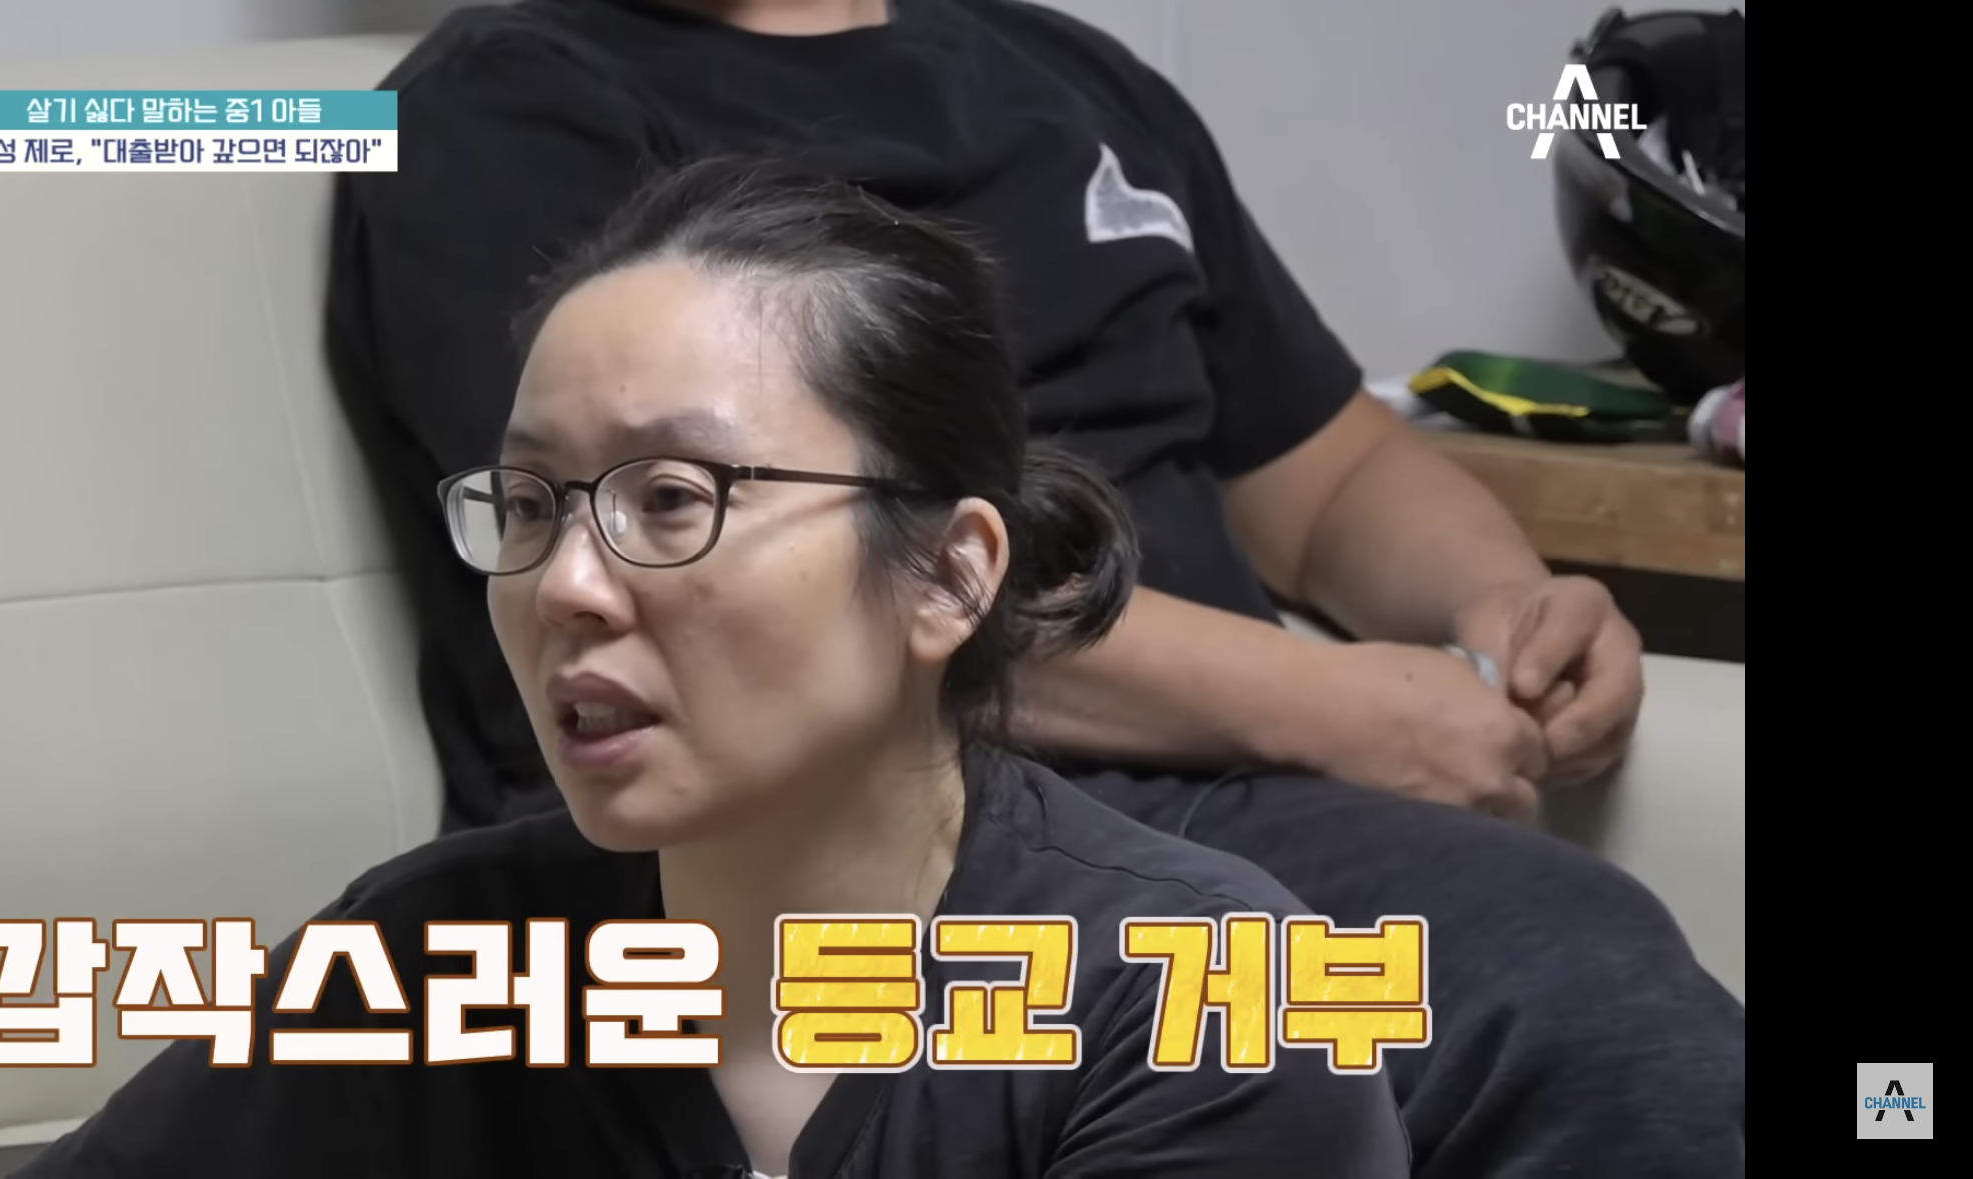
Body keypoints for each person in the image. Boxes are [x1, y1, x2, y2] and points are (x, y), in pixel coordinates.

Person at [321, 1, 1744, 1175]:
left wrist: (1504, 604)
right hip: (904, 793)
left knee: (1597, 993)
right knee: (1570, 988)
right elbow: (733, 561)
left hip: (1217, 815)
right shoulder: (508, 105)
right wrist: (1327, 702)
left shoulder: (1074, 77)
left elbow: (1328, 474)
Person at [19, 159, 1413, 1178]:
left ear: (947, 573)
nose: (567, 585)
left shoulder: (1200, 1001)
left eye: (673, 498)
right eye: (530, 505)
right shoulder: (423, 967)